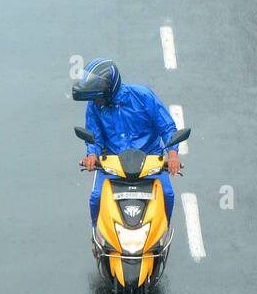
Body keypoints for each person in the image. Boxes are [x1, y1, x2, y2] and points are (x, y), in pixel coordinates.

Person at [72, 58, 180, 226]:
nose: (96, 101)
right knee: (96, 198)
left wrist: (172, 155)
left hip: (149, 160)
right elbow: (94, 135)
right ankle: (99, 238)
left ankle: (162, 232)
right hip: (113, 161)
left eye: (98, 97)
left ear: (109, 90)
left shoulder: (144, 96)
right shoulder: (94, 105)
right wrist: (92, 154)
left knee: (167, 194)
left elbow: (167, 128)